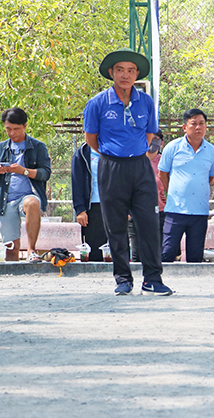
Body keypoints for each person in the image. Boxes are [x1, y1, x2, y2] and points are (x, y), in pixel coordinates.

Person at [82, 48, 171, 296]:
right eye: (120, 70)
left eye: (131, 70)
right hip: (111, 167)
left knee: (149, 224)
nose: (125, 75)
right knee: (116, 226)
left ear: (137, 75)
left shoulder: (146, 101)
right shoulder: (97, 103)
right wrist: (114, 155)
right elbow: (91, 139)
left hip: (141, 168)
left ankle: (153, 279)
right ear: (111, 73)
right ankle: (123, 279)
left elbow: (150, 134)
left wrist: (137, 156)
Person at [0, 107, 51, 262]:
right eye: (8, 129)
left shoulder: (38, 147)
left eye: (16, 129)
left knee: (33, 203)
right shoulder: (0, 148)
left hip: (27, 196)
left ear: (25, 126)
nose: (12, 133)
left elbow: (45, 173)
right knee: (11, 250)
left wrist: (23, 171)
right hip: (5, 201)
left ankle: (31, 250)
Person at [158, 108, 214, 263]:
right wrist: (172, 192)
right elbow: (163, 174)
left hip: (199, 211)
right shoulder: (172, 147)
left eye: (201, 124)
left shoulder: (212, 151)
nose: (198, 127)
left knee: (195, 256)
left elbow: (211, 176)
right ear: (185, 127)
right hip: (175, 210)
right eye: (193, 124)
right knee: (167, 252)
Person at [71, 141, 107, 261]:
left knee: (114, 248)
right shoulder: (81, 153)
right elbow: (76, 182)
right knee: (95, 249)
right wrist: (80, 209)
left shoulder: (115, 149)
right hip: (92, 206)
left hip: (113, 205)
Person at [147, 130, 166, 239]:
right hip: (140, 213)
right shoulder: (135, 162)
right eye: (149, 138)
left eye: (155, 139)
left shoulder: (165, 162)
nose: (151, 142)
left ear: (161, 143)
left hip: (162, 213)